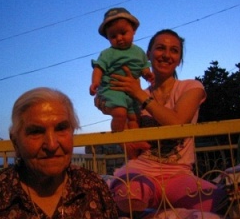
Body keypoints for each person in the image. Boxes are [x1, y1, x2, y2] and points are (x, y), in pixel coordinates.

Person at [96, 29, 227, 216]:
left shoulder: (191, 87)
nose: (166, 55)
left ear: (180, 59)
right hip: (140, 171)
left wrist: (139, 94)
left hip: (178, 173)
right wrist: (112, 110)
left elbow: (177, 123)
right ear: (148, 55)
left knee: (217, 201)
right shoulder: (132, 95)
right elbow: (131, 150)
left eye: (174, 50)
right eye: (160, 48)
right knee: (127, 200)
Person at [0, 87, 118, 218]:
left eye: (61, 128)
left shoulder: (93, 188)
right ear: (15, 142)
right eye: (36, 132)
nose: (52, 145)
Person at [90, 7, 154, 132]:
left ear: (133, 31)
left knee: (134, 117)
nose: (119, 38)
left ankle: (135, 141)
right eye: (113, 36)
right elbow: (99, 68)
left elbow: (144, 67)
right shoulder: (108, 53)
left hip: (132, 93)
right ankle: (119, 137)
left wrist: (148, 74)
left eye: (123, 33)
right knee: (119, 113)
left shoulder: (139, 52)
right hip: (113, 88)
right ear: (108, 38)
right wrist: (95, 82)